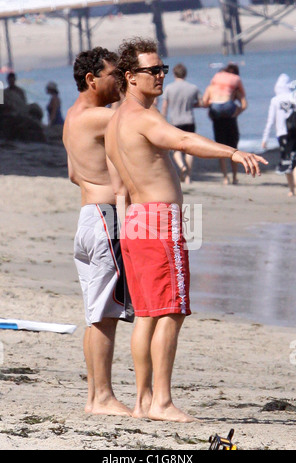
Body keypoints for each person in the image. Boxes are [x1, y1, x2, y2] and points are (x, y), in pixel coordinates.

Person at [105, 37, 268, 423]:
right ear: (130, 77)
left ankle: (143, 402)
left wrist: (128, 225)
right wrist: (231, 151)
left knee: (146, 312)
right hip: (160, 220)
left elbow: (120, 187)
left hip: (134, 220)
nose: (160, 75)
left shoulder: (115, 122)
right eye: (152, 71)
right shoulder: (144, 118)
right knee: (171, 311)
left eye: (163, 68)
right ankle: (161, 402)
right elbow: (182, 140)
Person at [62, 47, 134, 416]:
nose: (120, 81)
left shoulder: (72, 117)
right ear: (91, 79)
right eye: (114, 75)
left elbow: (75, 174)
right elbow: (142, 122)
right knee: (107, 313)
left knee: (96, 312)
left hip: (88, 218)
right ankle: (103, 397)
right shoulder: (99, 117)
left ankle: (95, 397)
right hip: (106, 219)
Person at [203, 63, 248, 185]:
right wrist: (237, 112)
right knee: (233, 149)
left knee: (220, 150)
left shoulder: (211, 88)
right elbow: (244, 105)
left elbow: (205, 103)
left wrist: (211, 109)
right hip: (230, 120)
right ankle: (234, 176)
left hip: (217, 121)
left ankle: (225, 178)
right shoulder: (235, 91)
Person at [161, 63, 202, 184]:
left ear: (174, 73)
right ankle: (188, 176)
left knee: (176, 150)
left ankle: (181, 166)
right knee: (190, 150)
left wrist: (163, 118)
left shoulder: (169, 88)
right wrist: (191, 105)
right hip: (189, 120)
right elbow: (201, 103)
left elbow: (165, 106)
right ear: (185, 74)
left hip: (175, 121)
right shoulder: (193, 87)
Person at [262, 73, 296, 197]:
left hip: (282, 134)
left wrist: (265, 138)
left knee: (286, 161)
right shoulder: (292, 96)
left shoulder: (275, 100)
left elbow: (270, 121)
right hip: (294, 132)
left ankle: (291, 189)